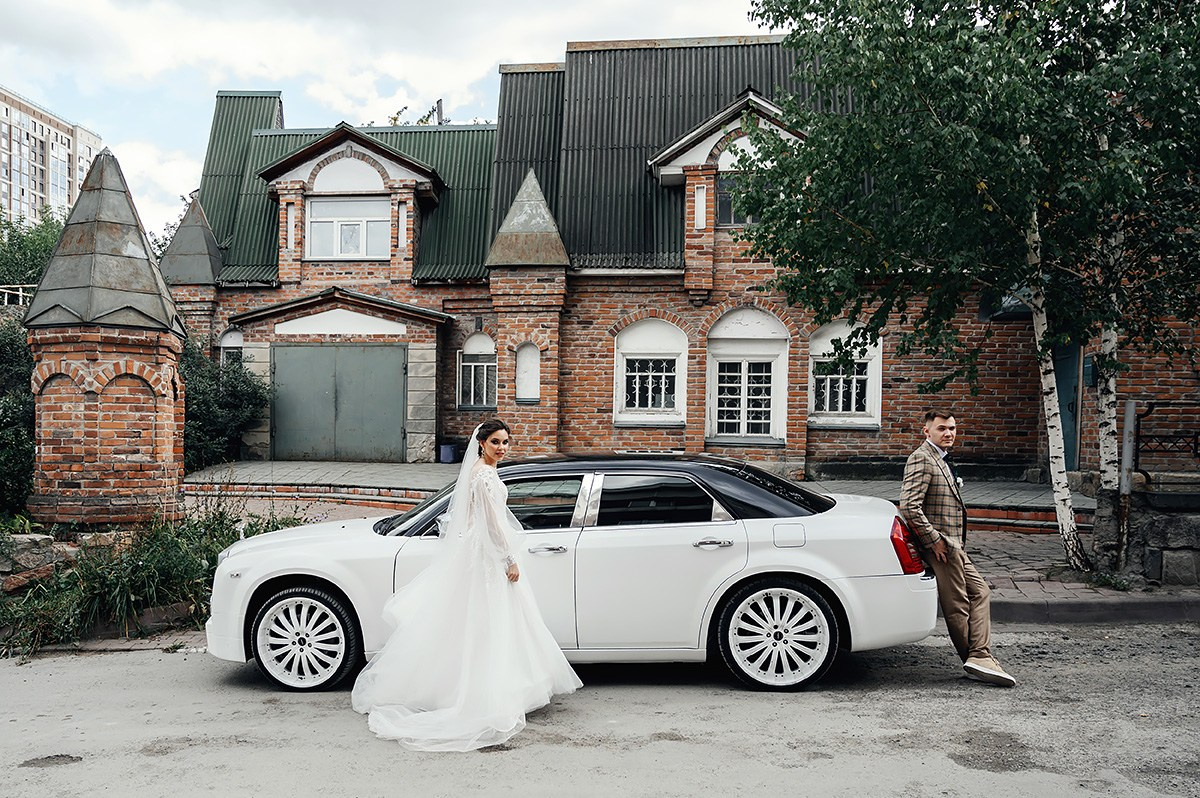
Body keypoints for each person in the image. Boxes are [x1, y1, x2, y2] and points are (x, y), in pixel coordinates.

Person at [351, 418, 582, 750]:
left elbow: (475, 519)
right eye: (496, 442)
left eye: (506, 442)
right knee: (490, 623)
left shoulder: (477, 470)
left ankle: (464, 686)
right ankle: (487, 693)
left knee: (475, 623)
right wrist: (508, 559)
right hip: (488, 557)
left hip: (475, 553)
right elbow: (491, 524)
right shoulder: (485, 475)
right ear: (482, 443)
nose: (502, 448)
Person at [899, 409, 1016, 687]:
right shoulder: (921, 458)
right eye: (942, 428)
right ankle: (977, 657)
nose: (949, 433)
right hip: (941, 546)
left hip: (953, 545)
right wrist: (933, 540)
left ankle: (978, 655)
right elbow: (909, 506)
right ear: (926, 431)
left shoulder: (941, 459)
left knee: (981, 592)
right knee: (957, 605)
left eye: (952, 428)